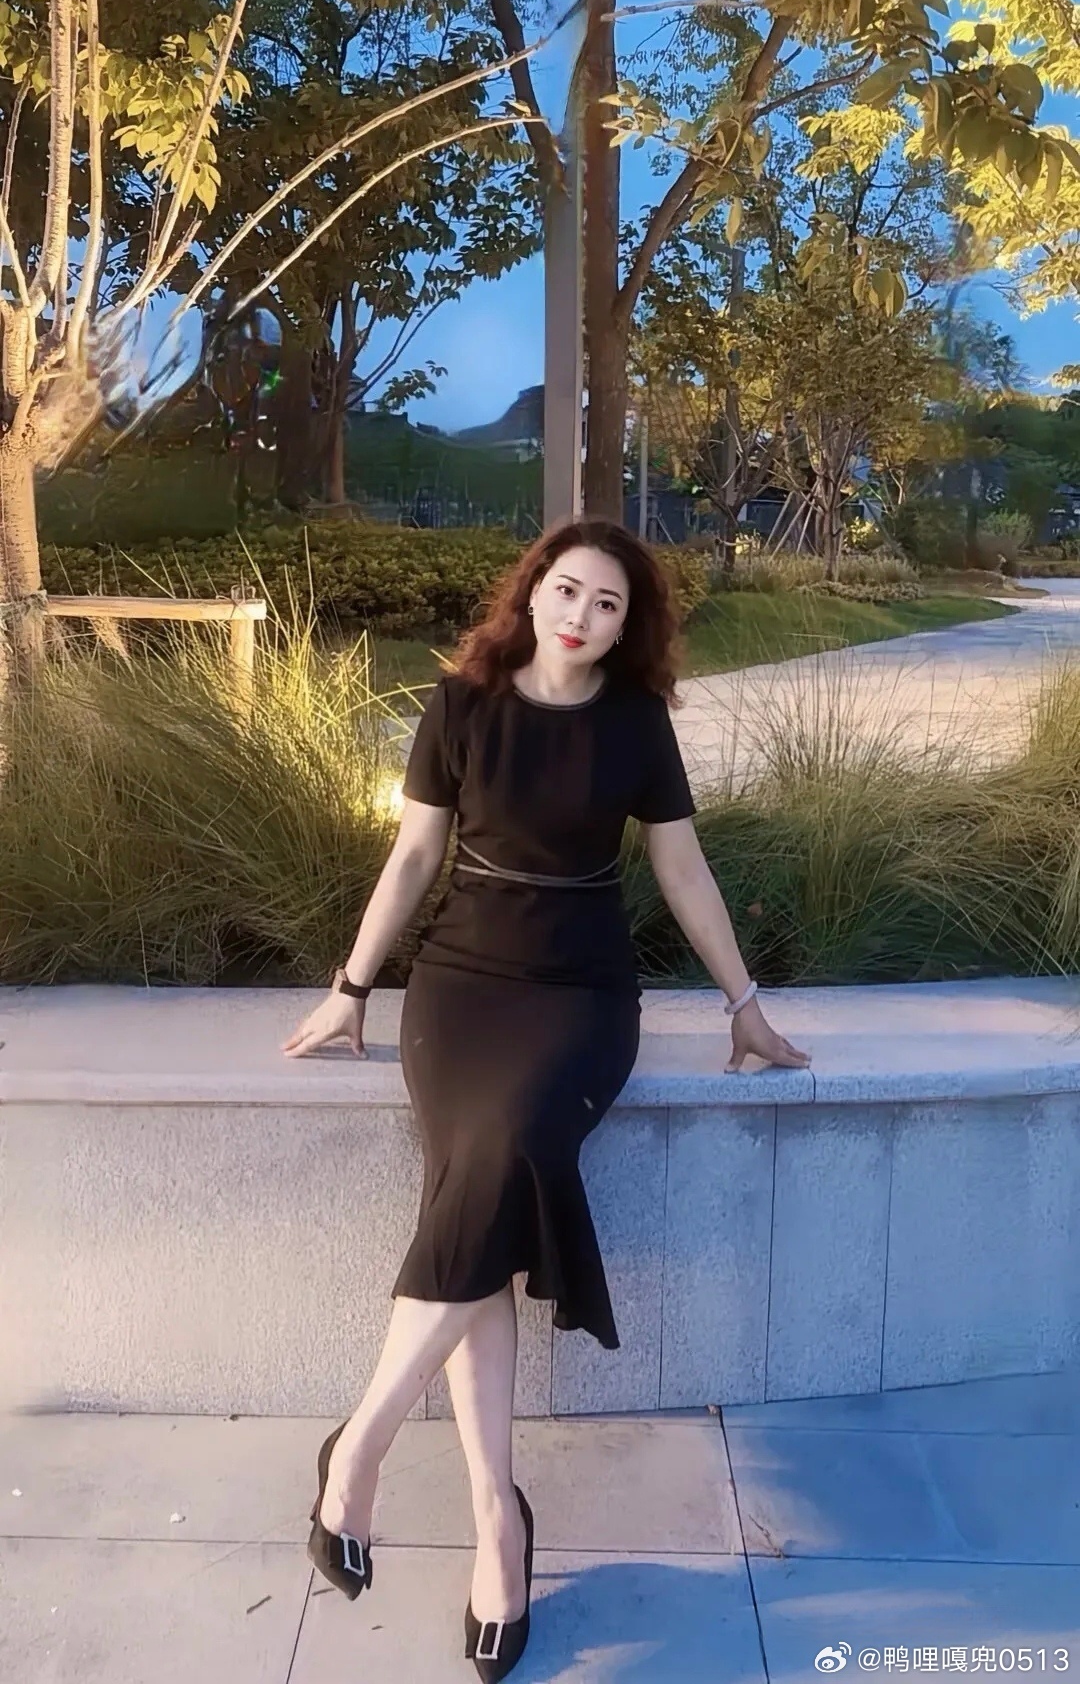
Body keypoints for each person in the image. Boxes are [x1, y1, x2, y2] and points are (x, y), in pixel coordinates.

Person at [280, 515, 811, 1679]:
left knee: (510, 1145)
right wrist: (352, 989)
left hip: (581, 994)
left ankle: (360, 1450)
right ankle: (496, 1521)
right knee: (483, 1176)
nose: (581, 613)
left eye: (607, 603)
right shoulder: (462, 705)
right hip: (461, 987)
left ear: (628, 626)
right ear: (532, 592)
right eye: (566, 589)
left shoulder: (634, 724)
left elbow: (681, 868)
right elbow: (414, 857)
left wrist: (744, 1006)